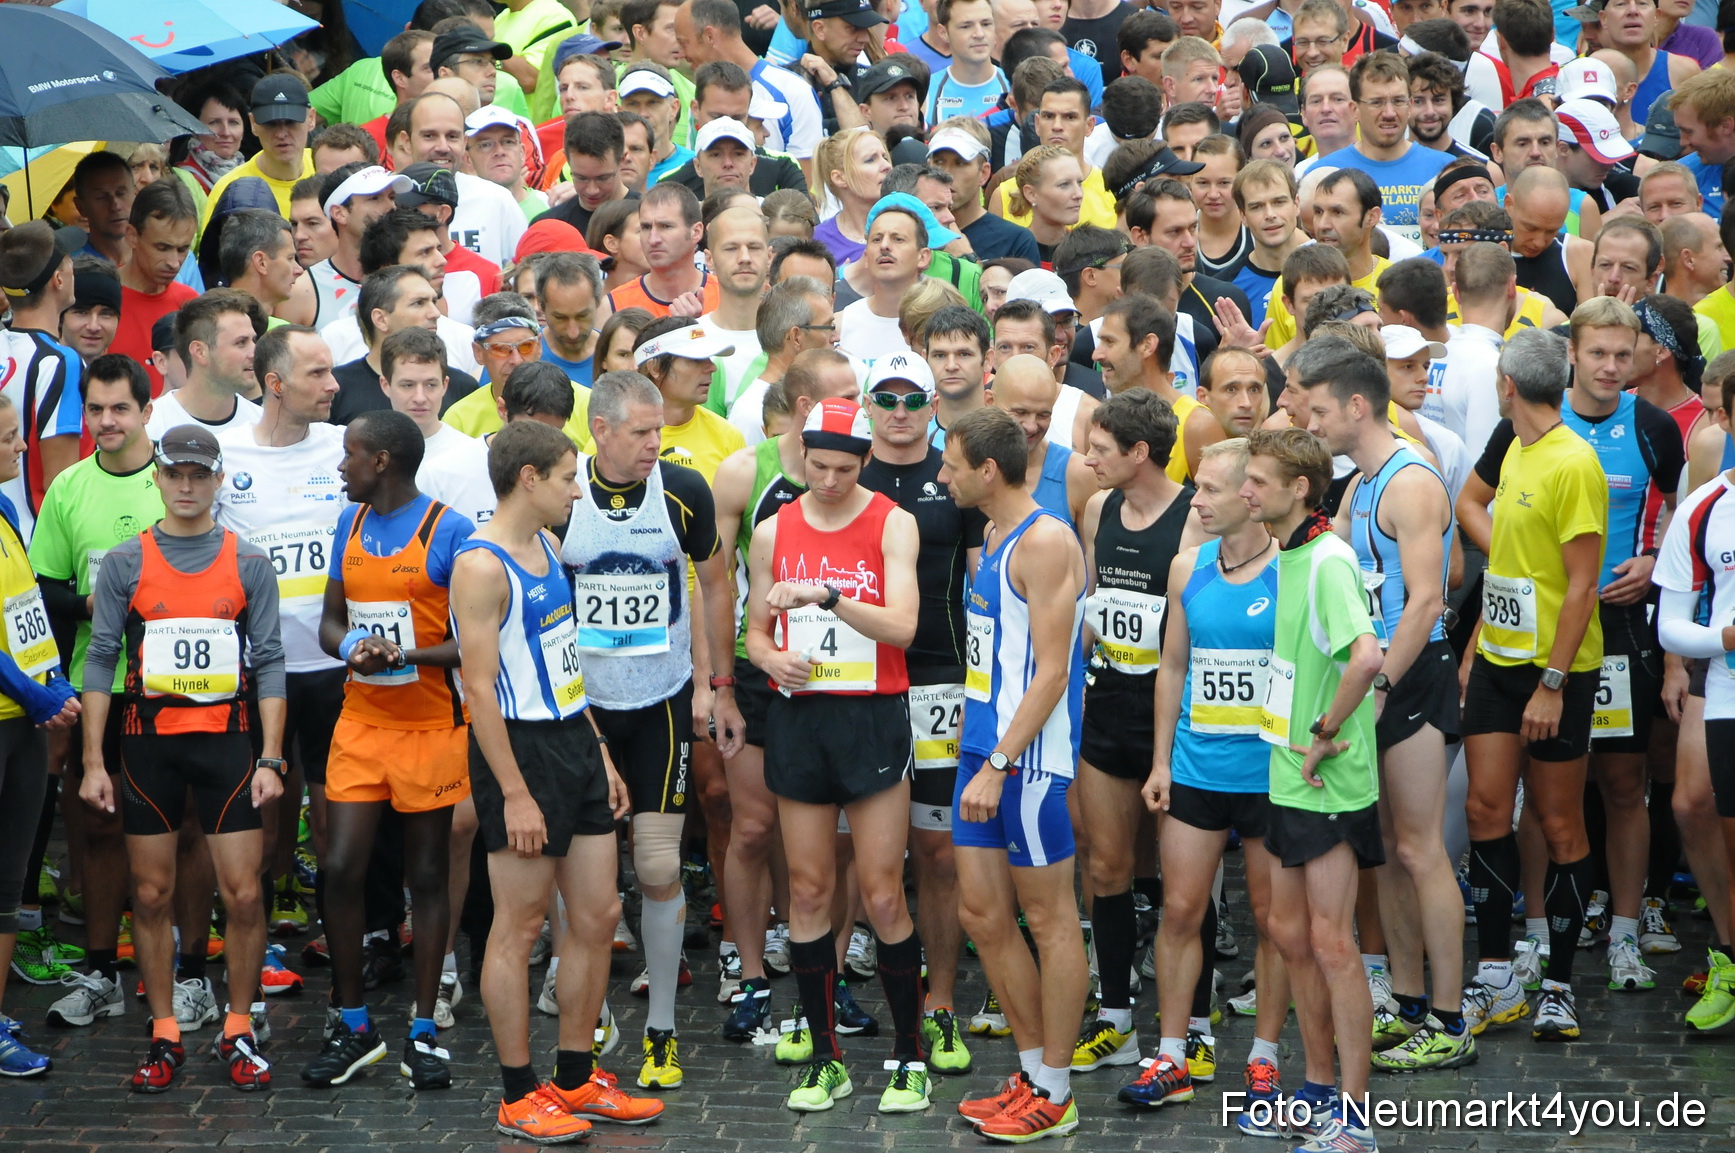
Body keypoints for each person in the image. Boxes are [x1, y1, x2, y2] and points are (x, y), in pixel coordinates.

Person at [448, 419, 661, 1138]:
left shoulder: (545, 543)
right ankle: (517, 1090)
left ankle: (573, 1077)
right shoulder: (480, 565)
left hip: (572, 740)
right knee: (521, 925)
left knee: (597, 916)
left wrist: (598, 749)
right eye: (569, 477)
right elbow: (479, 691)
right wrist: (512, 792)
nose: (579, 490)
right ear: (528, 478)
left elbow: (564, 661)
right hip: (521, 753)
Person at [78, 424, 287, 1093]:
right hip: (147, 746)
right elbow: (101, 658)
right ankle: (164, 1030)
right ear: (159, 479)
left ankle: (238, 1025)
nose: (188, 486)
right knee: (150, 893)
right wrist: (91, 761)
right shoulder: (125, 562)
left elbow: (272, 660)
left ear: (218, 479)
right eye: (176, 475)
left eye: (200, 475)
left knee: (246, 894)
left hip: (229, 743)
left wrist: (273, 757)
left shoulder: (248, 561)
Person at [739, 397, 928, 1114]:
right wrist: (769, 660)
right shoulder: (771, 530)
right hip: (802, 719)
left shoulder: (892, 521)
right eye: (816, 466)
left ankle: (907, 1055)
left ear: (864, 461)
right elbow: (756, 631)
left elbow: (903, 625)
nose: (826, 481)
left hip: (870, 717)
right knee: (810, 891)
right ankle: (825, 1057)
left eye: (842, 469)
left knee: (881, 891)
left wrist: (826, 595)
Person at [558, 369, 737, 1089]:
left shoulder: (683, 490)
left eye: (659, 431)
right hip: (585, 708)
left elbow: (715, 582)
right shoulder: (563, 493)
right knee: (589, 887)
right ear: (599, 430)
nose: (652, 445)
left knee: (659, 867)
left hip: (661, 701)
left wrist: (714, 683)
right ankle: (591, 1016)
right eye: (639, 432)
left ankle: (661, 1027)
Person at [1297, 338, 1471, 1071]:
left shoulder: (1408, 482)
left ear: (1356, 406)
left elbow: (1428, 597)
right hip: (1382, 677)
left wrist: (1375, 690)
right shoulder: (1358, 485)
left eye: (1316, 410)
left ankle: (1450, 1016)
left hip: (1410, 676)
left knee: (1420, 847)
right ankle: (1405, 1002)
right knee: (1391, 856)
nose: (1310, 422)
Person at [299, 410, 475, 1090]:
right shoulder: (349, 524)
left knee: (426, 875)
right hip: (362, 723)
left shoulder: (449, 531)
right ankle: (352, 1021)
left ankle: (424, 1028)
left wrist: (405, 653)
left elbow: (471, 642)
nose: (341, 466)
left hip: (430, 726)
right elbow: (329, 622)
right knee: (339, 867)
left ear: (382, 462)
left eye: (350, 455)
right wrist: (355, 649)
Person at [1455, 327, 1607, 1044]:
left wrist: (1551, 681)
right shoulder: (1513, 445)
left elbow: (1583, 585)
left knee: (1557, 823)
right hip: (1497, 662)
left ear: (1507, 385)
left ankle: (1558, 984)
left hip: (1559, 672)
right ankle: (1493, 975)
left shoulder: (1573, 462)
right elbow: (1505, 551)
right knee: (1486, 806)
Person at [942, 406, 1088, 1142]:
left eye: (952, 463)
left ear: (987, 470)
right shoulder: (994, 533)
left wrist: (1000, 761)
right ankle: (1032, 1072)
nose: (942, 473)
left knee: (1050, 919)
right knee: (982, 915)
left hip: (1024, 760)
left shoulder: (1047, 540)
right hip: (982, 746)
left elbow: (1053, 671)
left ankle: (1056, 1090)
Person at [1134, 437, 1288, 1119]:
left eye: (1208, 490)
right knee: (1180, 910)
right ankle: (1171, 1052)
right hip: (1196, 767)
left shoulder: (1292, 569)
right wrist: (1161, 760)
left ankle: (1264, 1056)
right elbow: (1171, 666)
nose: (1194, 500)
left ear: (1249, 494)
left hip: (1265, 774)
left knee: (1271, 920)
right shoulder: (1185, 566)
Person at [1242, 426, 1384, 1152]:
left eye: (1257, 481)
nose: (1244, 491)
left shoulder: (1327, 558)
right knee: (1290, 935)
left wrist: (1327, 727)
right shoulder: (1289, 553)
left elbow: (1365, 656)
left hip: (1326, 780)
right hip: (1287, 776)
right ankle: (1319, 1086)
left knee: (1331, 943)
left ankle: (1354, 1120)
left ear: (1299, 488)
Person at [1066, 389, 1204, 1079]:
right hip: (1109, 698)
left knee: (1186, 883)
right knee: (1106, 866)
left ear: (1138, 452)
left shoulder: (1190, 518)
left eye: (1098, 447)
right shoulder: (1097, 507)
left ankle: (1197, 1023)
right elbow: (1097, 602)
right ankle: (1115, 1016)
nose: (1086, 458)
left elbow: (1189, 628)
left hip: (1171, 707)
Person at [857, 353, 984, 1076]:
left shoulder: (953, 475)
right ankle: (846, 994)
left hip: (940, 675)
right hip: (862, 679)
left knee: (935, 853)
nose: (900, 410)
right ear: (867, 402)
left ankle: (938, 1001)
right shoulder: (846, 471)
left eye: (913, 398)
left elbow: (981, 584)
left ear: (933, 402)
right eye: (886, 397)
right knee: (857, 853)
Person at [31, 357, 166, 1030]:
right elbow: (45, 585)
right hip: (102, 681)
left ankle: (185, 967)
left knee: (185, 824)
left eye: (119, 408)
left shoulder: (177, 479)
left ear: (146, 409)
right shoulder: (68, 487)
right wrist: (90, 602)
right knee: (102, 823)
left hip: (178, 684)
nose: (106, 421)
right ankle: (100, 969)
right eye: (95, 410)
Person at [211, 326, 350, 952]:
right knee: (261, 826)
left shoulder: (346, 445)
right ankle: (256, 951)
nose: (334, 385)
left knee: (333, 824)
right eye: (317, 375)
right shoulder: (226, 454)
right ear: (275, 385)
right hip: (256, 671)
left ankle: (342, 946)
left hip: (333, 667)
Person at [0, 387, 82, 1076]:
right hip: (10, 716)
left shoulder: (4, 511)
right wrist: (34, 694)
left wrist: (52, 681)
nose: (23, 445)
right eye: (8, 436)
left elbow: (25, 615)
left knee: (8, 883)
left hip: (24, 729)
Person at [0, 223, 86, 536]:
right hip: (34, 545)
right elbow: (60, 481)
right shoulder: (59, 361)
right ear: (58, 280)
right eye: (69, 262)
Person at [113, 181, 202, 397]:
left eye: (182, 249)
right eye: (162, 248)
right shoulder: (101, 301)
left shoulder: (190, 304)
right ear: (132, 236)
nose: (174, 262)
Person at [597, 183, 719, 327]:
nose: (653, 239)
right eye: (646, 227)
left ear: (696, 232)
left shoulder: (725, 296)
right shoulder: (613, 306)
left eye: (666, 226)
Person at [148, 291, 266, 439]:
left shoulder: (264, 425)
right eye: (241, 342)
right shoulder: (150, 427)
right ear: (200, 352)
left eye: (254, 341)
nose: (254, 353)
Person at [203, 75, 317, 223]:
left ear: (311, 119)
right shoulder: (230, 192)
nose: (281, 134)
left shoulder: (326, 166)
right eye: (270, 123)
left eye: (291, 122)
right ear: (253, 123)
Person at [60, 257, 122, 362]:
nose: (93, 327)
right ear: (60, 317)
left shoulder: (126, 376)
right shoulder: (39, 373)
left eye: (105, 314)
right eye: (81, 312)